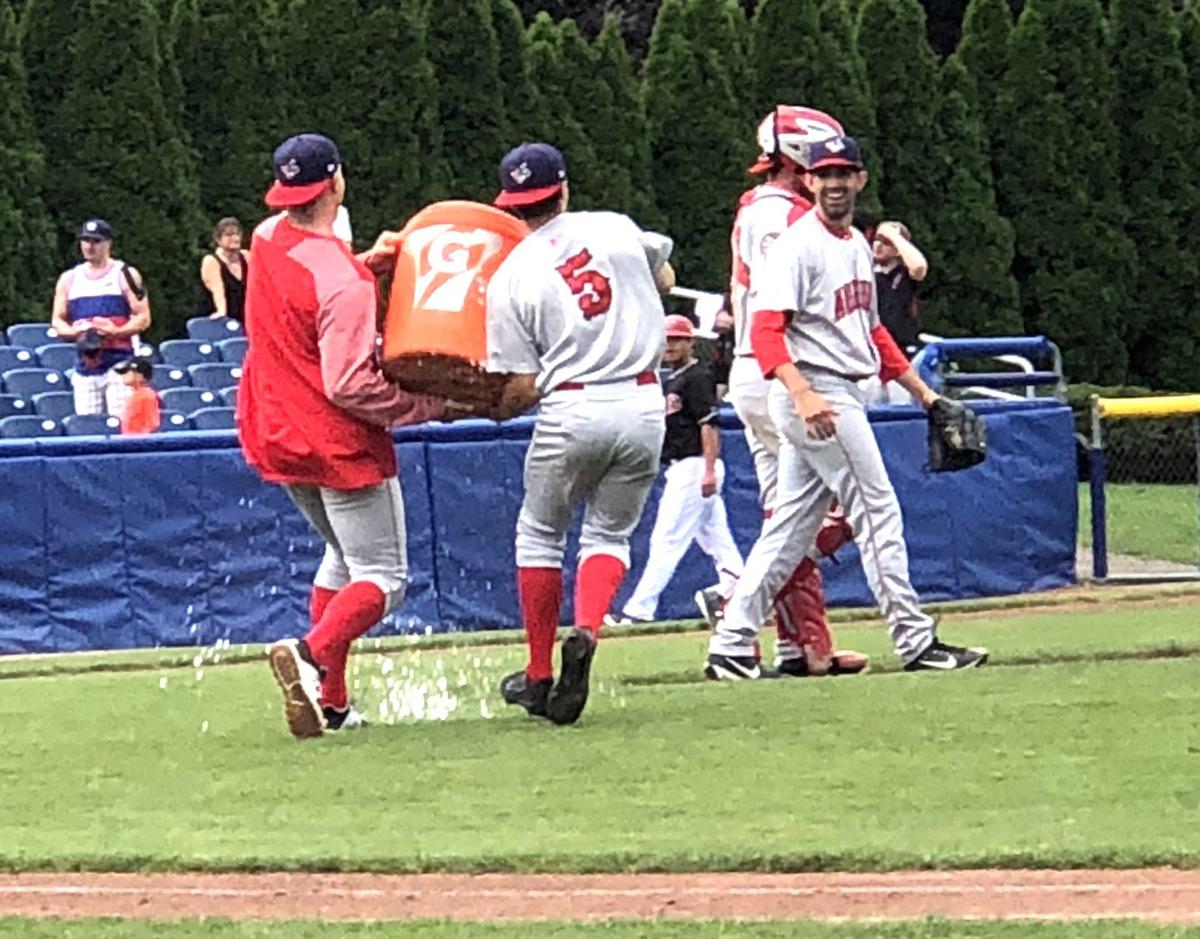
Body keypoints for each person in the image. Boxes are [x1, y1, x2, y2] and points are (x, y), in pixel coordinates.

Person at [705, 134, 989, 678]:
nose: (834, 183)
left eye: (844, 173)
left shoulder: (857, 244)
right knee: (877, 510)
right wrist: (802, 392)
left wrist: (925, 396)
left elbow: (872, 331)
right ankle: (915, 641)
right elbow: (765, 332)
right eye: (824, 174)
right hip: (815, 393)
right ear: (808, 181)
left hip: (833, 389)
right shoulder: (796, 244)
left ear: (860, 180)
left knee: (790, 528)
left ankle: (731, 643)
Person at [240, 133, 471, 739]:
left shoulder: (266, 239)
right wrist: (430, 406)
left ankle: (334, 704)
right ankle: (309, 653)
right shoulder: (343, 282)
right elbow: (350, 385)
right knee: (384, 578)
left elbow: (307, 289)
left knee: (342, 557)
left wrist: (366, 263)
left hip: (274, 425)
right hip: (335, 438)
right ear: (337, 182)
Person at [486, 141, 675, 726]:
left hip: (571, 405)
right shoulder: (614, 226)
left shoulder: (510, 273)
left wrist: (486, 408)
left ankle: (540, 673)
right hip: (643, 398)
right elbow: (665, 278)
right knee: (609, 537)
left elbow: (518, 385)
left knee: (540, 534)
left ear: (513, 206)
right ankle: (588, 628)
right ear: (563, 189)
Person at [710, 106, 867, 678]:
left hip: (762, 370)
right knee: (845, 505)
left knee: (791, 509)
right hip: (779, 370)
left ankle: (801, 645)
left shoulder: (768, 208)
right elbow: (788, 302)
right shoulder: (777, 213)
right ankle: (736, 602)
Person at [606, 314, 743, 625]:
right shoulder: (673, 378)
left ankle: (639, 610)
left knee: (667, 539)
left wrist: (709, 469)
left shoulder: (696, 376)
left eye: (677, 339)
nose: (670, 345)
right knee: (718, 541)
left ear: (690, 342)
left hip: (695, 465)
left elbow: (709, 425)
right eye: (666, 339)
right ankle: (740, 592)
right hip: (684, 466)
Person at [51, 218, 151, 418]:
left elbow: (143, 316)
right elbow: (57, 320)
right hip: (86, 363)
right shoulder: (69, 279)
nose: (89, 246)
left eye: (96, 241)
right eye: (85, 241)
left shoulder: (124, 274)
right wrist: (76, 332)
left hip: (119, 362)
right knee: (88, 425)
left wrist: (116, 331)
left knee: (120, 420)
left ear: (108, 243)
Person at [874, 220, 928, 355]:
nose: (878, 245)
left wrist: (895, 236)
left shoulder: (904, 273)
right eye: (877, 240)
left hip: (903, 348)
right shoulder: (866, 271)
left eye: (886, 242)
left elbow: (919, 267)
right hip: (874, 347)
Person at [198, 217, 249, 321]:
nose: (235, 238)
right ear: (218, 239)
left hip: (245, 316)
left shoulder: (247, 256)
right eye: (229, 235)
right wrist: (222, 311)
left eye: (237, 234)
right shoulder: (211, 261)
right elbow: (217, 289)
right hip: (217, 319)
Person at [114, 357, 160, 434]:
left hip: (139, 442)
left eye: (127, 372)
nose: (123, 375)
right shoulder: (135, 395)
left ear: (139, 375)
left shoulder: (147, 395)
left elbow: (152, 424)